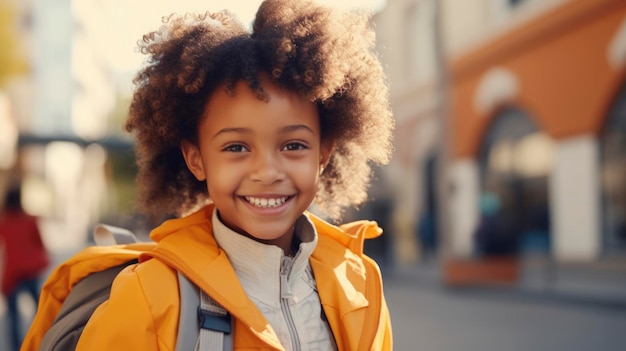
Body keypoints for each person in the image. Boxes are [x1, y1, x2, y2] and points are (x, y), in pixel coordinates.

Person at [74, 0, 394, 349]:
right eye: (236, 148)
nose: (267, 172)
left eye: (293, 145)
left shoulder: (359, 281)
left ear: (324, 153)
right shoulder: (150, 296)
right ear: (196, 158)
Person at [0, 184, 49, 351]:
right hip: (31, 270)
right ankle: (41, 340)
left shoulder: (4, 222)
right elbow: (40, 243)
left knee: (13, 315)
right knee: (41, 310)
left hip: (13, 273)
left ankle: (16, 347)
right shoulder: (30, 220)